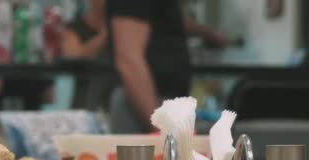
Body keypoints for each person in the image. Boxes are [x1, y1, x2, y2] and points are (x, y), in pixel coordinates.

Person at [107, 0, 230, 133]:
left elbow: (166, 20)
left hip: (163, 103)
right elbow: (129, 60)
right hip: (143, 103)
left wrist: (208, 33)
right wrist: (162, 128)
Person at [61, 0, 113, 110]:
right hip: (84, 99)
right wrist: (104, 36)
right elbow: (73, 57)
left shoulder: (125, 30)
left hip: (114, 97)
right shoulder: (75, 27)